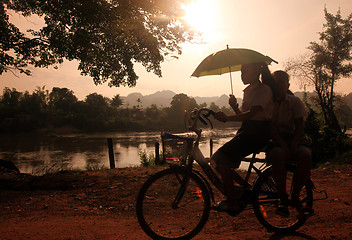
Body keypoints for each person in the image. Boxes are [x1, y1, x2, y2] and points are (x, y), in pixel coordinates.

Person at [210, 62, 274, 215]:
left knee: (220, 159)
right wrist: (234, 107)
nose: (242, 75)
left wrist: (226, 118)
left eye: (245, 71)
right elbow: (246, 117)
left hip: (257, 134)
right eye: (241, 72)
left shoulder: (264, 90)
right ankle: (246, 189)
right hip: (247, 132)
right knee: (218, 161)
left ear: (257, 71)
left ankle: (233, 202)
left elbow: (252, 115)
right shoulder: (248, 91)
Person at [267, 70, 313, 218]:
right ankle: (282, 198)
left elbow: (300, 127)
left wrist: (293, 143)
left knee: (306, 155)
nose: (279, 85)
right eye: (276, 82)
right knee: (278, 155)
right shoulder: (269, 103)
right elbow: (271, 128)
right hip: (275, 139)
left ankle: (295, 195)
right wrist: (282, 144)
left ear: (288, 85)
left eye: (282, 82)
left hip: (293, 137)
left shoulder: (295, 102)